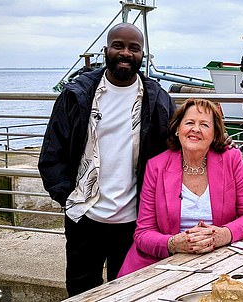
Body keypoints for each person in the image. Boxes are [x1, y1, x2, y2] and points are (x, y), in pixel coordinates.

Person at [38, 23, 174, 296]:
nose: (125, 53)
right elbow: (52, 154)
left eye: (134, 48)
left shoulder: (157, 99)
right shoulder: (76, 96)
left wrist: (222, 144)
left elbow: (179, 141)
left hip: (134, 221)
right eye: (118, 46)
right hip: (84, 217)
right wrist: (69, 198)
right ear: (106, 50)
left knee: (129, 293)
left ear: (142, 55)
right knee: (80, 292)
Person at [117, 98, 243, 277]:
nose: (196, 129)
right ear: (178, 129)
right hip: (163, 266)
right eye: (189, 123)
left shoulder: (231, 160)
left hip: (220, 260)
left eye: (204, 124)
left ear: (215, 134)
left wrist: (224, 235)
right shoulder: (156, 167)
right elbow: (143, 234)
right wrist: (173, 243)